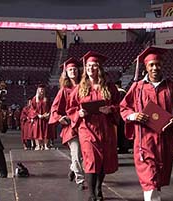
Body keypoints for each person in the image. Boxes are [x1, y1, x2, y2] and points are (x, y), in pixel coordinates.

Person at [120, 46, 173, 201]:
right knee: (150, 178)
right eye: (151, 64)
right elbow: (124, 107)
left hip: (165, 138)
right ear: (146, 67)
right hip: (144, 140)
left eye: (157, 64)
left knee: (157, 177)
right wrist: (134, 115)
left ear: (162, 65)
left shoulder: (172, 87)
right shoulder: (138, 87)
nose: (155, 67)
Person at [67, 51, 120, 201]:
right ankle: (91, 194)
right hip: (87, 128)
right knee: (91, 160)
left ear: (100, 68)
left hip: (105, 127)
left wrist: (111, 109)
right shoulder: (80, 88)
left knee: (102, 160)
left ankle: (98, 188)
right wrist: (79, 113)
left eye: (94, 65)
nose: (90, 68)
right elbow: (71, 108)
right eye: (88, 66)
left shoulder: (109, 87)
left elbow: (119, 105)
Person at [49, 57, 85, 187]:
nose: (73, 71)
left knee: (82, 155)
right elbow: (54, 109)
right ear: (66, 72)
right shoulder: (64, 90)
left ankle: (72, 169)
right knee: (75, 153)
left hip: (84, 124)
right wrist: (59, 118)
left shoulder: (85, 87)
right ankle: (80, 180)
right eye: (70, 69)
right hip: (71, 126)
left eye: (75, 69)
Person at [29, 84, 51, 150]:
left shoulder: (47, 98)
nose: (42, 90)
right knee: (37, 132)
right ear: (38, 90)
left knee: (46, 131)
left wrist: (49, 114)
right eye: (40, 89)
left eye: (43, 89)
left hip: (45, 118)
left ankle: (45, 145)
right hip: (38, 118)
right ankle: (38, 145)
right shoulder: (34, 99)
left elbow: (51, 107)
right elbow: (32, 109)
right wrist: (38, 115)